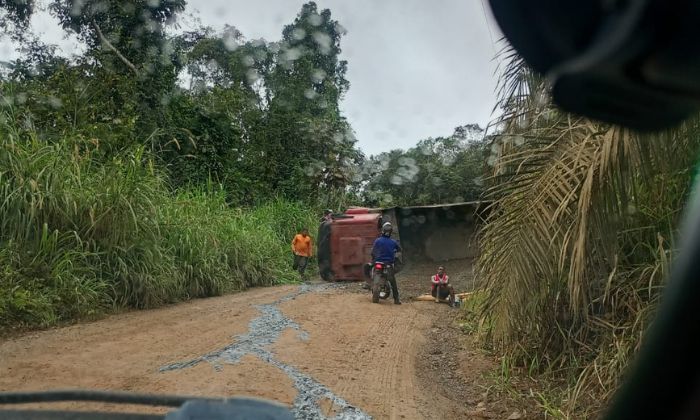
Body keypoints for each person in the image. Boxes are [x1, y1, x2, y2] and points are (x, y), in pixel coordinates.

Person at [370, 222, 401, 305]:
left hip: (378, 263)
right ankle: (396, 300)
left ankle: (369, 286)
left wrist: (374, 257)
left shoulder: (377, 240)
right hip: (388, 264)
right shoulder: (393, 242)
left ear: (382, 231)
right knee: (393, 282)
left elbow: (372, 252)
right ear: (390, 232)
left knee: (373, 271)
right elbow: (399, 250)